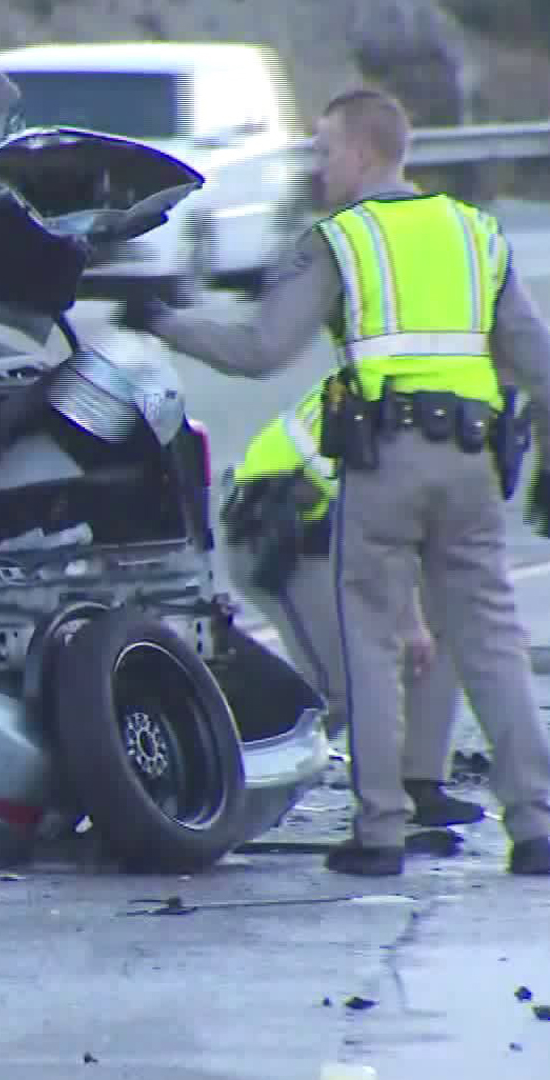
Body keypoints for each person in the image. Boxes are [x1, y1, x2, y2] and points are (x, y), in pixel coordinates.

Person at [116, 86, 550, 877]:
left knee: (372, 642)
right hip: (473, 464)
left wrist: (164, 322)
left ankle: (380, 834)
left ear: (361, 151)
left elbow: (261, 351)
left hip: (386, 462)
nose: (317, 166)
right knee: (493, 642)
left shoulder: (343, 239)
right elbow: (539, 365)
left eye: (323, 149)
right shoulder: (476, 233)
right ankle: (536, 829)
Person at [217, 397, 483, 827]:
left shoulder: (439, 388)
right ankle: (226, 787)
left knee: (440, 628)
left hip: (335, 537)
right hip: (280, 539)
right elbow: (389, 534)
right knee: (339, 689)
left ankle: (420, 786)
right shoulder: (400, 406)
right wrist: (409, 623)